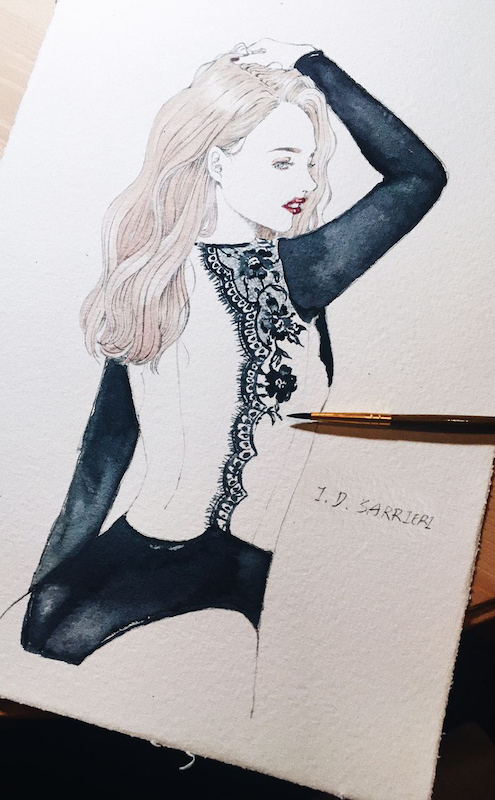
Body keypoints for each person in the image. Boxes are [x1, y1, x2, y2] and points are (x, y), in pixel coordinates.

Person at [21, 39, 447, 665]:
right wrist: (313, 63)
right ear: (218, 163)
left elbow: (101, 462)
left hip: (116, 576)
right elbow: (418, 176)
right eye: (283, 162)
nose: (307, 183)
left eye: (311, 162)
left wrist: (46, 591)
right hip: (210, 585)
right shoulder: (289, 274)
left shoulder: (151, 280)